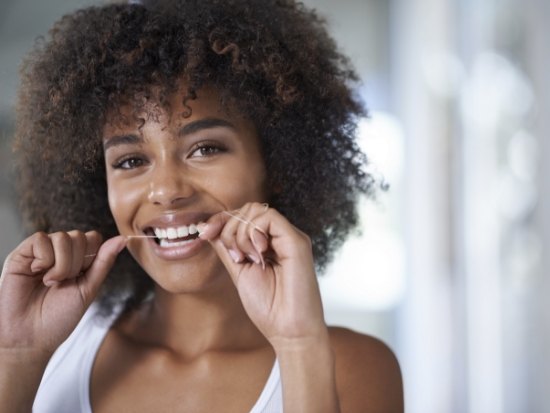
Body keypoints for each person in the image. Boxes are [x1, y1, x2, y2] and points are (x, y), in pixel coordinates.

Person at [0, 0, 403, 411]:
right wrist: (17, 358)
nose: (165, 190)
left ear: (277, 164)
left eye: (205, 148)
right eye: (131, 161)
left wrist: (298, 345)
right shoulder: (51, 349)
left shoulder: (350, 367)